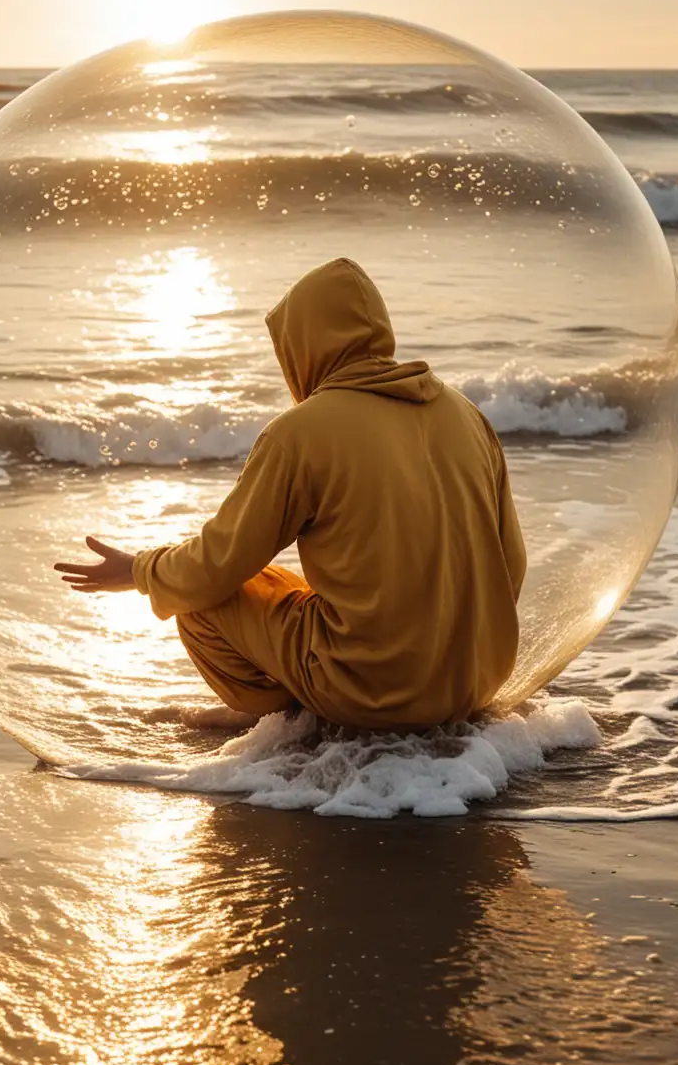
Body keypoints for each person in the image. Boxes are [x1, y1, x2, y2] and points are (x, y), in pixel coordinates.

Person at [53, 257, 528, 729]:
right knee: (277, 583)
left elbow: (213, 568)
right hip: (478, 682)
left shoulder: (300, 434)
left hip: (373, 694)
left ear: (302, 347)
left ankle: (299, 719)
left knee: (197, 601)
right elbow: (512, 562)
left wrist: (138, 570)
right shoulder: (466, 414)